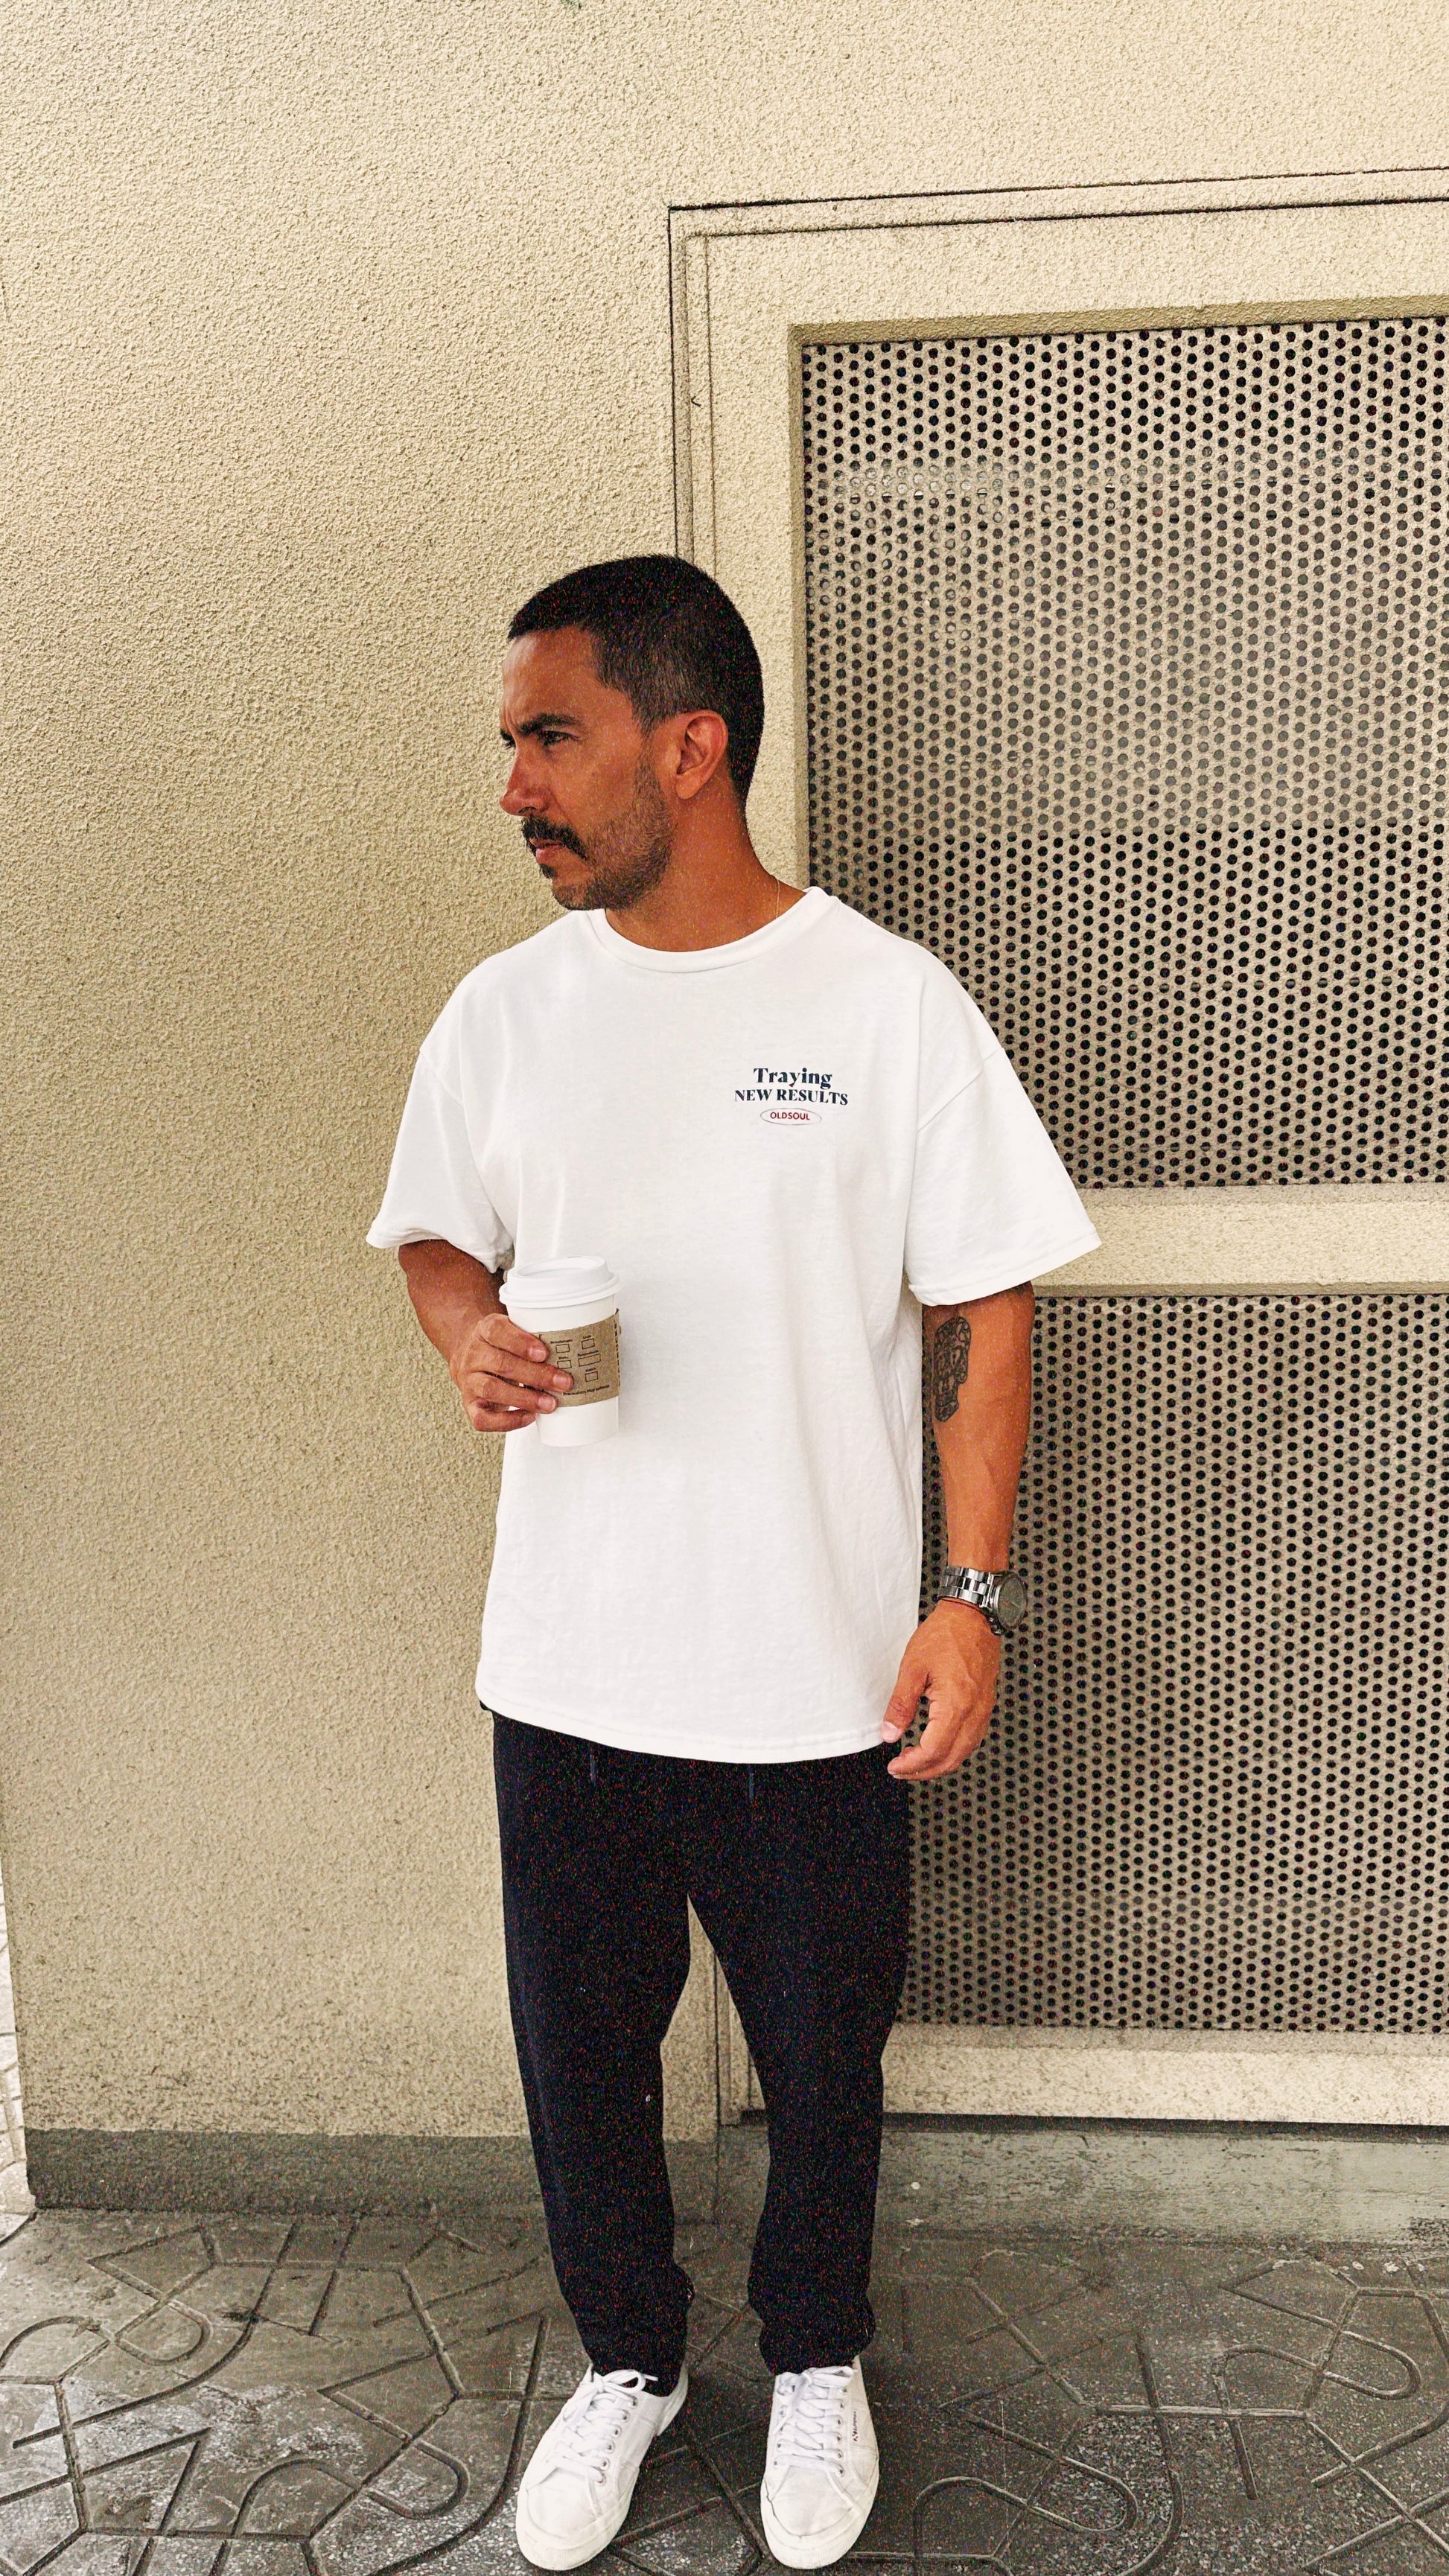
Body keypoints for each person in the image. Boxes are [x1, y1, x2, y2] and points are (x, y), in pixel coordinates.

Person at [367, 555, 1099, 2570]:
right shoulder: (505, 1013)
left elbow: (991, 1316)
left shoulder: (883, 1002)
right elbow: (436, 1234)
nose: (514, 785)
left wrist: (972, 1599)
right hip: (568, 1668)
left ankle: (816, 2354)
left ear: (687, 746)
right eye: (510, 741)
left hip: (811, 1671)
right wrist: (466, 1333)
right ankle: (628, 2360)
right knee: (584, 2069)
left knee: (822, 2068)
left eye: (550, 736)